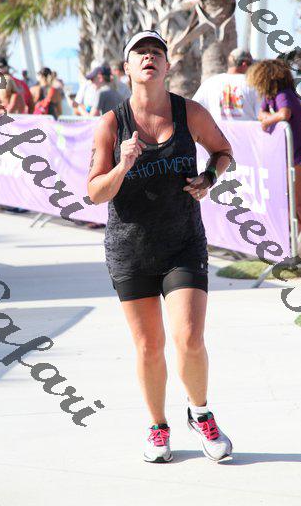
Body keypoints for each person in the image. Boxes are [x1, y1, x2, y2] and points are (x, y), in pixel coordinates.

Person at [87, 30, 234, 463]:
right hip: (130, 249)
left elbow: (223, 151)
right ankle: (157, 427)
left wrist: (209, 178)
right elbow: (94, 192)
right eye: (140, 53)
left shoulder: (190, 113)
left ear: (167, 66)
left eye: (156, 52)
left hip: (183, 243)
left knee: (189, 337)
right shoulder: (111, 124)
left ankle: (201, 413)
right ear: (127, 68)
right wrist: (123, 164)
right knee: (150, 347)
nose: (149, 57)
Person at [246, 59, 301, 261]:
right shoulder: (271, 96)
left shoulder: (284, 94)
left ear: (266, 78)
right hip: (296, 156)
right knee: (289, 204)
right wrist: (265, 117)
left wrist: (267, 121)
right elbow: (261, 112)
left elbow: (284, 113)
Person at [193, 48, 260, 121]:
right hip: (246, 128)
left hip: (215, 128)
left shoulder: (210, 83)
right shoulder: (253, 83)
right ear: (244, 65)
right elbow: (261, 114)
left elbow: (194, 109)